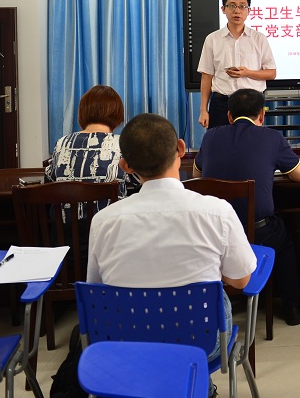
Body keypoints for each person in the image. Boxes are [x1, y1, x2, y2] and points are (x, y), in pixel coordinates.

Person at [87, 113, 258, 373]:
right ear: (181, 148)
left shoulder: (103, 221)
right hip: (202, 342)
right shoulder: (217, 212)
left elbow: (97, 290)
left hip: (127, 340)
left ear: (125, 166)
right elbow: (241, 280)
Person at [193, 88, 300, 326]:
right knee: (285, 242)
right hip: (257, 232)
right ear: (262, 116)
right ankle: (291, 308)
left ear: (229, 116)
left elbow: (197, 176)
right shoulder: (272, 138)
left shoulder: (210, 137)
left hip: (215, 232)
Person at [45, 84, 132, 221]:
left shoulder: (62, 143)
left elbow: (50, 178)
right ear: (118, 114)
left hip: (65, 230)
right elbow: (137, 180)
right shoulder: (123, 144)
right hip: (109, 229)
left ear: (82, 112)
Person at [197, 0, 277, 129]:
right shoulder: (212, 39)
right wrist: (203, 110)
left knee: (251, 142)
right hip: (222, 103)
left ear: (248, 11)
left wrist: (247, 73)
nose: (237, 11)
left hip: (252, 103)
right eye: (232, 6)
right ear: (223, 9)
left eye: (242, 6)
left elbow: (271, 73)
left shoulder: (259, 39)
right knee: (220, 142)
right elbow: (206, 75)